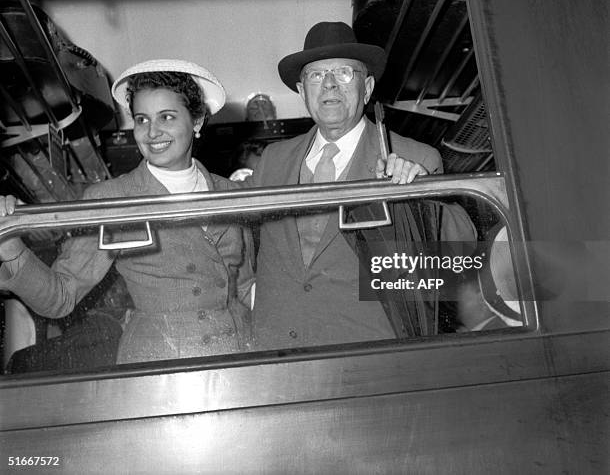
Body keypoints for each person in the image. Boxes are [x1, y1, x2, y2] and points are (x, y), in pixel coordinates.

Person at [0, 59, 254, 364]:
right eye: (142, 119)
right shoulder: (111, 199)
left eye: (167, 117)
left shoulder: (232, 194)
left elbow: (244, 286)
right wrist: (9, 244)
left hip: (237, 359)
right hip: (157, 366)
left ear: (197, 121)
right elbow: (59, 298)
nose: (152, 132)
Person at [246, 21, 475, 350]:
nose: (329, 85)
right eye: (316, 75)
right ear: (301, 91)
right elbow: (229, 240)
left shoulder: (415, 157)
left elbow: (458, 265)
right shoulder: (272, 160)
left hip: (369, 358)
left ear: (366, 88)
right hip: (277, 357)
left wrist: (422, 195)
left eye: (343, 73)